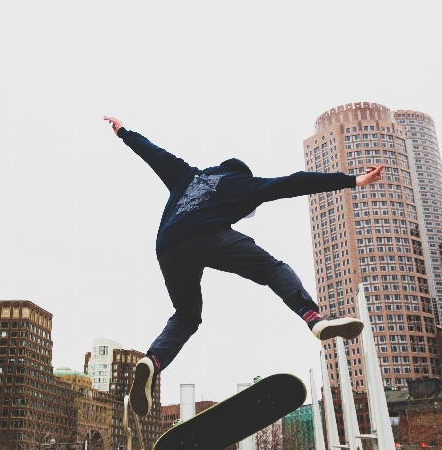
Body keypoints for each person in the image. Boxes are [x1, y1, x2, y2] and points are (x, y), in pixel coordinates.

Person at [104, 116, 384, 416]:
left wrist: (124, 132)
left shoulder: (186, 175)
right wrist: (353, 180)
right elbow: (294, 182)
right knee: (272, 269)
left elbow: (152, 152)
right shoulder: (245, 184)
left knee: (186, 315)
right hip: (208, 235)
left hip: (168, 245)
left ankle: (153, 360)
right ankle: (314, 317)